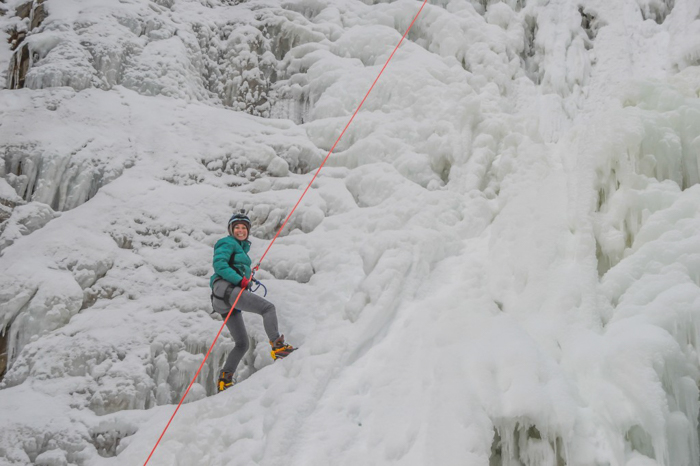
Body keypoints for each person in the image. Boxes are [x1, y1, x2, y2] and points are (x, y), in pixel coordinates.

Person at [210, 210, 295, 392]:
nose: (241, 230)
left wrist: (245, 277)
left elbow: (232, 267)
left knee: (242, 344)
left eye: (244, 228)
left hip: (222, 299)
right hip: (226, 289)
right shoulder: (227, 242)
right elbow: (220, 264)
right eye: (237, 227)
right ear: (231, 230)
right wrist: (240, 280)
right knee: (268, 308)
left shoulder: (240, 249)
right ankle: (278, 346)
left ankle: (225, 380)